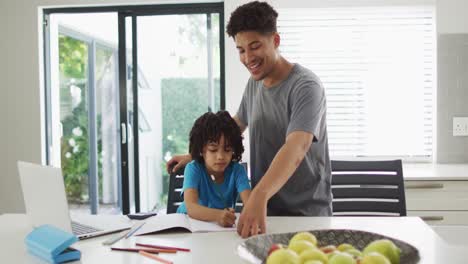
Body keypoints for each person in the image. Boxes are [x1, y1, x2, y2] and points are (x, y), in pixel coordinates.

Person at [168, 1, 332, 237]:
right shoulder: (255, 84)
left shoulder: (306, 86)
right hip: (268, 211)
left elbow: (297, 147)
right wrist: (196, 154)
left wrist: (259, 194)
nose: (247, 58)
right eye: (241, 49)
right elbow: (234, 127)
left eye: (254, 46)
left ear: (275, 41)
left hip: (306, 215)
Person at [175, 111, 251, 228]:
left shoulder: (237, 171)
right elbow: (191, 208)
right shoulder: (193, 169)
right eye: (213, 150)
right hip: (188, 225)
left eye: (227, 149)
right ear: (201, 149)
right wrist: (218, 215)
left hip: (217, 229)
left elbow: (250, 204)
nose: (220, 156)